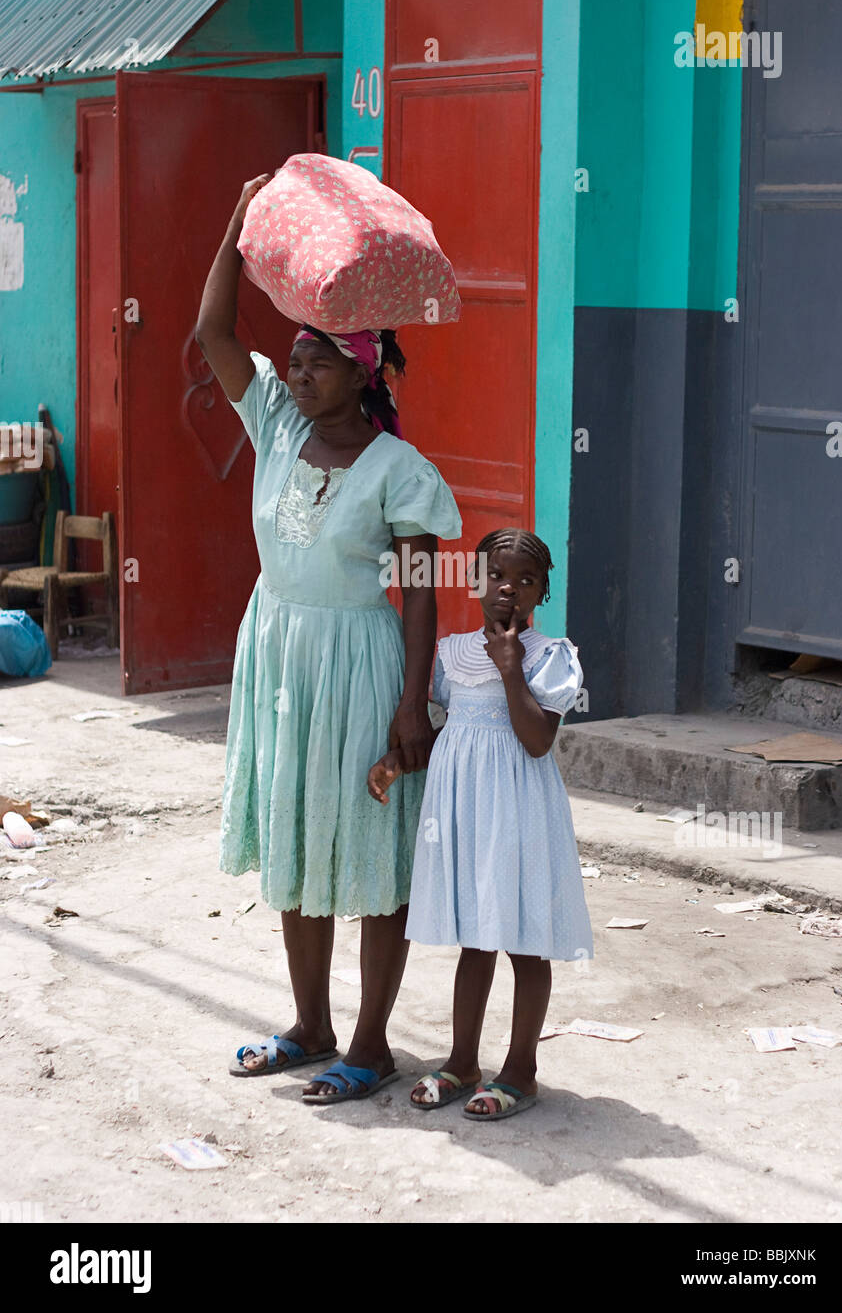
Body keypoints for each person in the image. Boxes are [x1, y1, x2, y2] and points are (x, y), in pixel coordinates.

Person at [196, 174, 462, 1103]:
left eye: (318, 360)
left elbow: (423, 595)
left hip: (361, 665)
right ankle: (309, 1026)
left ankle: (371, 1043)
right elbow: (213, 336)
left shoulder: (401, 472)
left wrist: (412, 704)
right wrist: (238, 224)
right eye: (296, 356)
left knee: (371, 850)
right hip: (275, 654)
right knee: (296, 841)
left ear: (364, 372)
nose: (297, 370)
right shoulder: (273, 420)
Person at [368, 528, 593, 1119]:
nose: (508, 590)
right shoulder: (450, 654)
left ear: (542, 592)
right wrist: (399, 760)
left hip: (519, 811)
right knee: (476, 938)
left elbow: (537, 739)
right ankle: (462, 1059)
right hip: (464, 811)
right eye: (496, 576)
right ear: (476, 581)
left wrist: (511, 667)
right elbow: (455, 728)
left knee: (524, 941)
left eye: (524, 581)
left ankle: (521, 1069)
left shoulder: (549, 655)